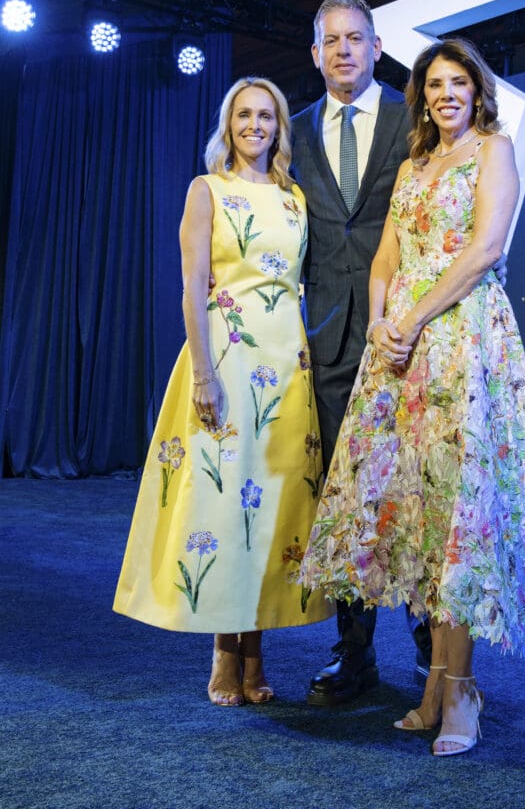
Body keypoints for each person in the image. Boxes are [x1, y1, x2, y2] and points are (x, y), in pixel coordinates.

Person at [299, 38, 525, 756]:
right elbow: (385, 258)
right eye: (434, 85)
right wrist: (382, 326)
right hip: (401, 353)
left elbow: (485, 249)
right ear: (421, 97)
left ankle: (459, 692)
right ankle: (432, 689)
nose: (446, 94)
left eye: (458, 82)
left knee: (461, 514)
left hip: (464, 343)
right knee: (419, 515)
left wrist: (414, 318)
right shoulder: (413, 164)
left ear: (477, 91)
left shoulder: (494, 149)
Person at [114, 76, 331, 706]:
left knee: (269, 511)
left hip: (286, 369)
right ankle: (224, 651)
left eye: (266, 116)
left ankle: (255, 651)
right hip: (228, 362)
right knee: (221, 504)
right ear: (228, 125)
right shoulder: (206, 190)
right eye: (244, 115)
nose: (255, 125)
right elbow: (192, 288)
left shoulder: (294, 198)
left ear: (279, 127)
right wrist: (204, 374)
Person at [291, 0, 428, 706]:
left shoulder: (417, 120)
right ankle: (354, 652)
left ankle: (433, 650)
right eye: (332, 40)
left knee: (415, 488)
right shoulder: (291, 131)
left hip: (407, 334)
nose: (344, 50)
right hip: (328, 339)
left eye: (356, 38)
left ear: (377, 48)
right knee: (343, 496)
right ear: (315, 54)